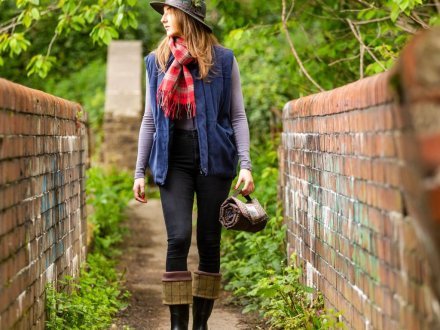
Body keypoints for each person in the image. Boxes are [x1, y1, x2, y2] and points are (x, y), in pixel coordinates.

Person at [132, 1, 254, 329]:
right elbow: (149, 119)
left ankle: (200, 324)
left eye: (168, 11)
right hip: (173, 161)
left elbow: (237, 115)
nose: (162, 18)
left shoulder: (223, 61)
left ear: (186, 16)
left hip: (215, 158)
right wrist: (139, 171)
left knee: (210, 238)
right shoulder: (155, 62)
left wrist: (246, 164)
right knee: (179, 237)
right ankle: (177, 326)